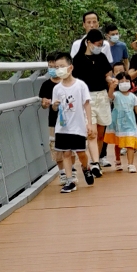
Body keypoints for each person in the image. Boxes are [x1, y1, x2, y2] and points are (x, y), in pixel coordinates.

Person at [42, 54, 97, 193]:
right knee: (66, 153)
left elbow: (87, 104)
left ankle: (86, 168)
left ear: (70, 67)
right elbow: (54, 107)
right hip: (62, 127)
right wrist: (54, 105)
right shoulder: (57, 88)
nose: (59, 70)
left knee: (80, 153)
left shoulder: (80, 85)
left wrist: (89, 123)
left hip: (77, 126)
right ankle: (70, 180)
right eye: (56, 67)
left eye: (62, 66)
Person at [72, 27, 111, 176]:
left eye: (101, 44)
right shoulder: (78, 59)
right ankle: (94, 163)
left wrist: (110, 81)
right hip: (87, 98)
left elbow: (107, 73)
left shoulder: (102, 58)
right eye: (97, 44)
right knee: (92, 132)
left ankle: (98, 158)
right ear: (88, 42)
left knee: (101, 133)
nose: (99, 47)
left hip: (102, 96)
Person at [106, 66, 137, 171]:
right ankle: (118, 159)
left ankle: (131, 164)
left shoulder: (133, 97)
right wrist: (112, 86)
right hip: (117, 122)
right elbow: (110, 95)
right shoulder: (116, 95)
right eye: (121, 81)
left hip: (130, 122)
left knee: (130, 143)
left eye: (127, 80)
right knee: (118, 143)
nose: (125, 82)